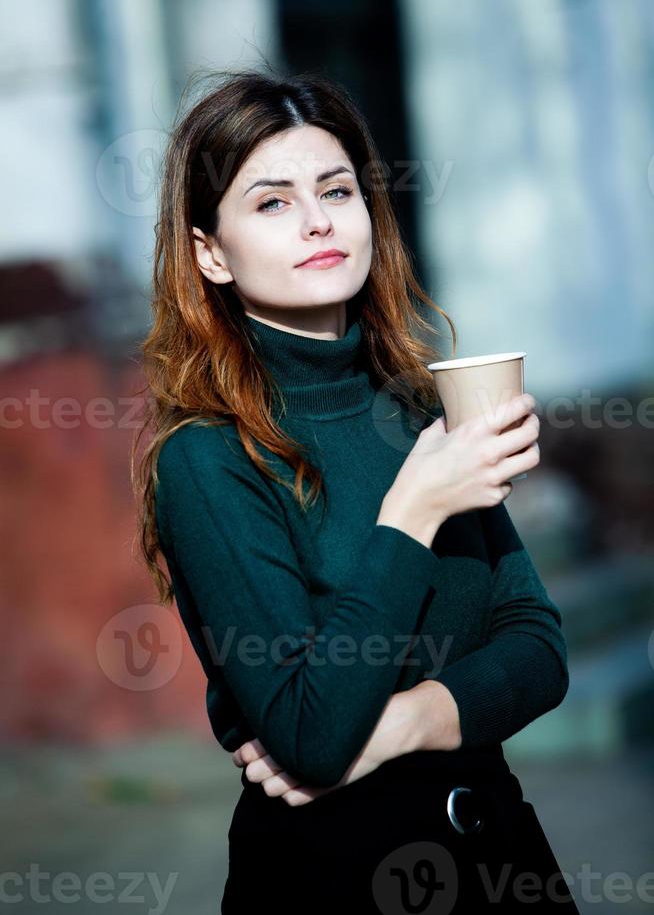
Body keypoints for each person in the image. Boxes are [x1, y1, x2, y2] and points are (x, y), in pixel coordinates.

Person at [133, 67, 581, 913]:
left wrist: (401, 727)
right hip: (335, 879)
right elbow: (310, 731)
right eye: (271, 202)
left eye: (335, 190)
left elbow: (538, 649)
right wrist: (414, 511)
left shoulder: (419, 410)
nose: (315, 221)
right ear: (210, 254)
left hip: (501, 858)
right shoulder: (206, 458)